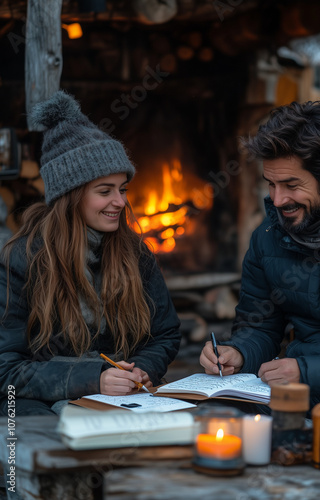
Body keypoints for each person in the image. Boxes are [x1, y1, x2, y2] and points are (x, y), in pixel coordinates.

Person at [200, 101, 320, 500]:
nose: (277, 200)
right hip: (299, 386)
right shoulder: (270, 236)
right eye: (270, 185)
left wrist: (306, 371)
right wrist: (239, 352)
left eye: (291, 185)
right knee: (217, 417)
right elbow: (259, 325)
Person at [0, 91, 181, 416]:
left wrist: (141, 369)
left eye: (122, 189)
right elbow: (7, 371)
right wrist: (92, 379)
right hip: (35, 405)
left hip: (120, 399)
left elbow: (164, 334)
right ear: (71, 196)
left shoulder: (134, 253)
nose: (121, 202)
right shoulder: (21, 260)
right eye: (105, 191)